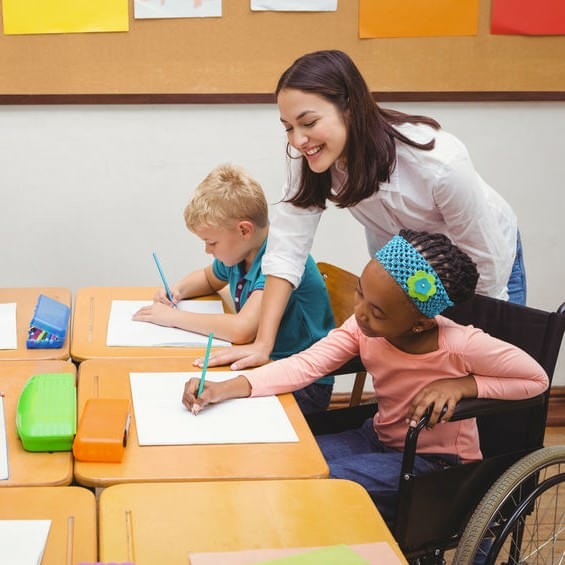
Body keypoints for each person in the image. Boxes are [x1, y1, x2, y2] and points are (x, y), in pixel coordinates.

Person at [182, 230, 548, 526]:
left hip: (435, 463)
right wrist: (224, 389)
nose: (360, 314)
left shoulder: (460, 344)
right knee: (285, 462)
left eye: (377, 311)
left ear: (420, 321)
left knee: (318, 481)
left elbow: (536, 379)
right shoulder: (361, 328)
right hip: (376, 436)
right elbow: (306, 364)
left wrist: (463, 385)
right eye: (360, 294)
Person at [201, 49, 526, 372]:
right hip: (407, 268)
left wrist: (475, 347)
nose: (298, 140)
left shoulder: (439, 165)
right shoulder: (314, 158)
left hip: (481, 263)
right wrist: (263, 344)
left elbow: (487, 268)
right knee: (418, 375)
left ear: (351, 109)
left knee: (479, 376)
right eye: (287, 127)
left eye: (309, 122)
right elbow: (286, 250)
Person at [133, 163, 335, 415]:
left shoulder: (279, 260)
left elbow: (242, 330)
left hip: (305, 383)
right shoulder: (240, 254)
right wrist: (178, 290)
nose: (208, 250)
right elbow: (208, 278)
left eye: (212, 242)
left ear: (243, 230)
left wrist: (173, 318)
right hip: (263, 367)